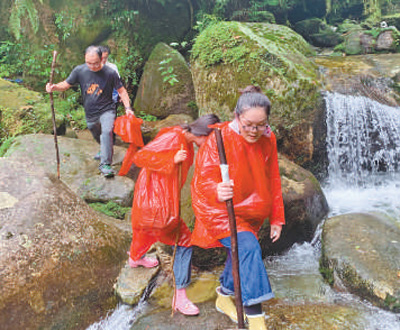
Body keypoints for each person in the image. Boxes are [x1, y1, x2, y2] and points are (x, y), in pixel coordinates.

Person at [190, 86, 285, 330]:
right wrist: (217, 190)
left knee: (240, 251)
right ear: (236, 117)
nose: (254, 131)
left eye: (260, 125)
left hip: (252, 209)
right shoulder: (218, 138)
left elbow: (273, 177)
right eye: (248, 125)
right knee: (248, 248)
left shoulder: (268, 137)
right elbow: (203, 179)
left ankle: (223, 295)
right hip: (221, 210)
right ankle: (256, 321)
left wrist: (277, 217)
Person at [127, 114, 220, 316]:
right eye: (209, 140)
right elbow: (140, 157)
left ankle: (135, 258)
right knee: (185, 241)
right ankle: (181, 297)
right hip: (158, 201)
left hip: (152, 199)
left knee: (143, 229)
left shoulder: (181, 137)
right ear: (201, 133)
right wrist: (171, 159)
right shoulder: (173, 138)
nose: (208, 144)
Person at [45, 45, 134, 177]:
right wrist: (54, 87)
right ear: (85, 59)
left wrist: (128, 108)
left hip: (107, 109)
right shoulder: (79, 70)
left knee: (107, 131)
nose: (92, 66)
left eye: (96, 63)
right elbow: (66, 84)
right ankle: (104, 148)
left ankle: (105, 164)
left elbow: (122, 91)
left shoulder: (110, 73)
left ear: (101, 58)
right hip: (90, 111)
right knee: (94, 129)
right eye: (89, 63)